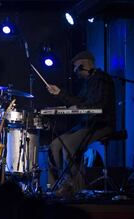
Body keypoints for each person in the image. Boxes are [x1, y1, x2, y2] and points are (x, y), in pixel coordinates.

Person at [46, 50, 116, 196]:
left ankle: (77, 189)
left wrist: (80, 107)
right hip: (88, 123)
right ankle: (56, 186)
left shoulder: (103, 79)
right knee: (55, 145)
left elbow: (101, 106)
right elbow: (79, 101)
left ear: (84, 65)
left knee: (69, 145)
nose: (75, 71)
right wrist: (59, 93)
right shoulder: (88, 83)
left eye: (76, 67)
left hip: (101, 124)